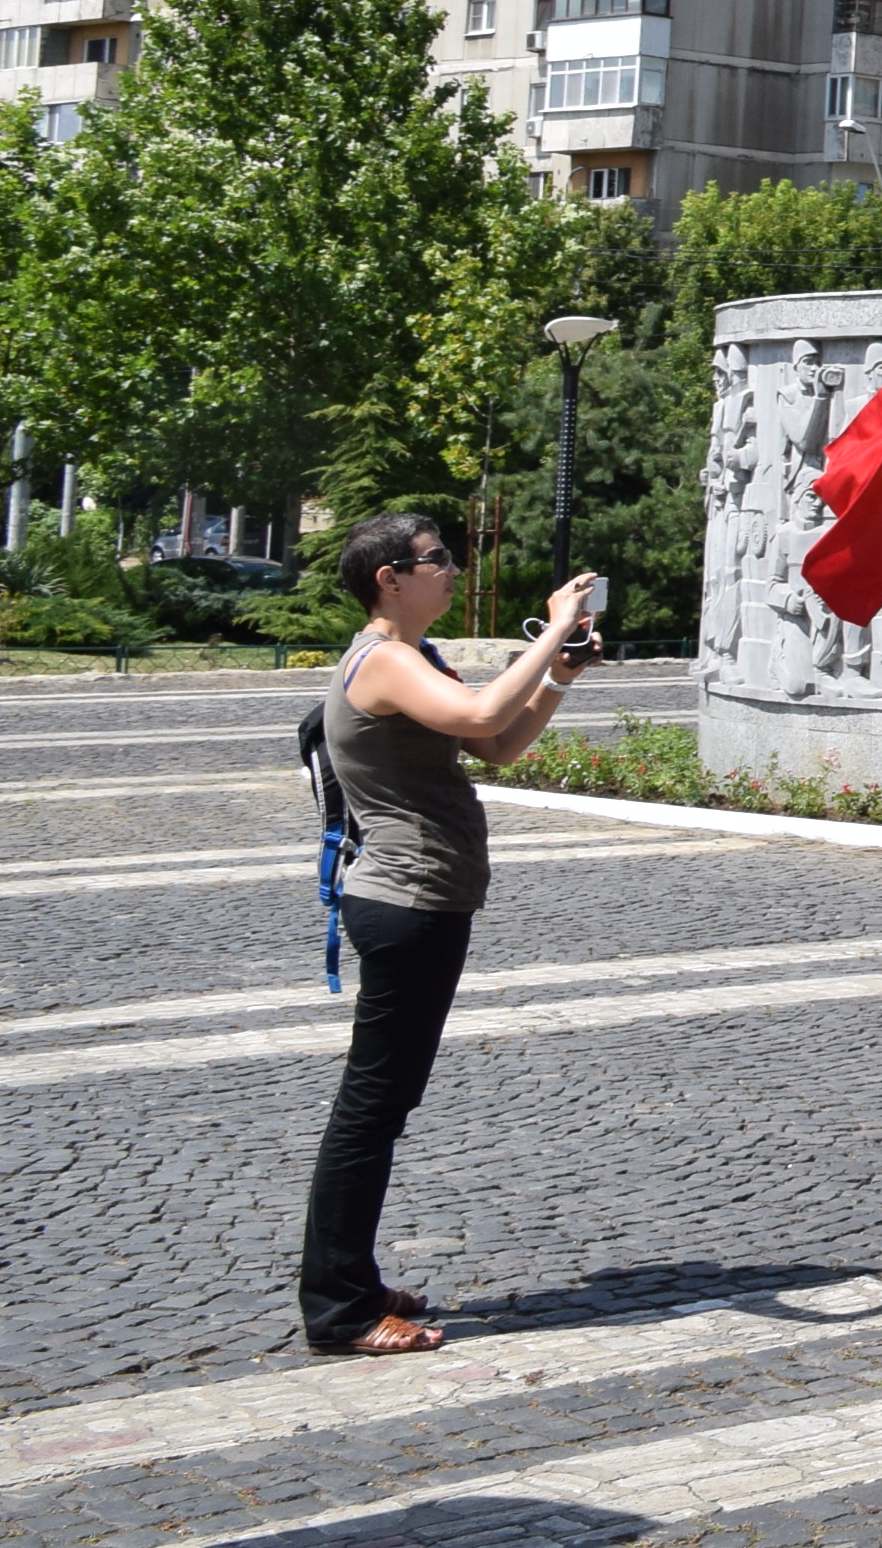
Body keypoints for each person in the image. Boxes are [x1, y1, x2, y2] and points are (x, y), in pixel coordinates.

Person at [301, 513, 601, 1355]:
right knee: (370, 1107)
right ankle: (340, 1309)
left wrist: (560, 675)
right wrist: (554, 627)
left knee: (381, 1104)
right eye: (435, 561)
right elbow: (478, 711)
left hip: (426, 899)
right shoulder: (386, 660)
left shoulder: (411, 656)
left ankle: (349, 1280)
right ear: (388, 579)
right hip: (406, 902)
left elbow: (499, 743)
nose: (452, 570)